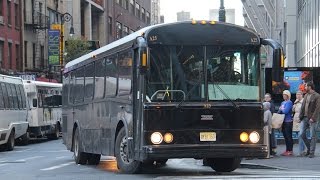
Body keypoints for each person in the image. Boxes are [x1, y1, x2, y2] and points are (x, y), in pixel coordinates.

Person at [299, 82, 320, 158]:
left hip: (312, 118)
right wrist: (300, 117)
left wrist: (313, 118)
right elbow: (303, 107)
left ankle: (311, 152)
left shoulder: (317, 96)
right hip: (304, 117)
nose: (305, 88)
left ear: (310, 87)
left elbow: (318, 108)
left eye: (306, 86)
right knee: (301, 134)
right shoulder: (306, 95)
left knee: (312, 136)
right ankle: (309, 149)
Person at [278, 90, 293, 156]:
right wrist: (281, 109)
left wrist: (281, 109)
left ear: (288, 95)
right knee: (285, 136)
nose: (284, 96)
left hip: (288, 121)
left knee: (288, 136)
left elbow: (286, 111)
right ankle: (287, 150)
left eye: (285, 95)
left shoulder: (289, 102)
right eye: (283, 94)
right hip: (283, 121)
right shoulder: (282, 102)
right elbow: (279, 111)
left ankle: (290, 150)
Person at [292, 90, 305, 156]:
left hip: (301, 119)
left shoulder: (303, 101)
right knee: (298, 135)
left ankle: (301, 151)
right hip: (295, 119)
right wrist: (294, 105)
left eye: (299, 94)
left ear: (302, 95)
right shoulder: (296, 101)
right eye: (297, 94)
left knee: (300, 135)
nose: (298, 95)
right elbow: (293, 110)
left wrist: (301, 118)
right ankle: (303, 150)